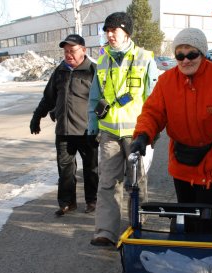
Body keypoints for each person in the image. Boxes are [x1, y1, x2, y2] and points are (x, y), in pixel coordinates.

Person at [130, 28, 212, 234]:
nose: (185, 60)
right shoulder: (167, 81)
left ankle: (203, 258)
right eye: (180, 55)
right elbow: (152, 113)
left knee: (206, 215)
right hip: (182, 158)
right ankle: (185, 256)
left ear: (202, 54)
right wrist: (142, 135)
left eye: (191, 54)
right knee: (186, 213)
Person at [87, 12, 159, 247]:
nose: (109, 34)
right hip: (109, 132)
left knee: (137, 182)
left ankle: (139, 228)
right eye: (106, 30)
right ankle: (105, 231)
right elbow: (95, 97)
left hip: (137, 133)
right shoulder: (103, 60)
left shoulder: (144, 58)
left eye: (113, 30)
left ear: (126, 32)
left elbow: (154, 99)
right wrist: (91, 126)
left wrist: (152, 131)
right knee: (107, 182)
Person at [29, 34, 98, 216]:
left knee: (91, 168)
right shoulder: (60, 71)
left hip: (87, 130)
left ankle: (93, 201)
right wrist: (37, 117)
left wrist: (99, 124)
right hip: (64, 130)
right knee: (65, 169)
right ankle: (67, 203)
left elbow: (102, 100)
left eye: (72, 51)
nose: (68, 55)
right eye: (66, 51)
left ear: (83, 50)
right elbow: (49, 97)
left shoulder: (93, 70)